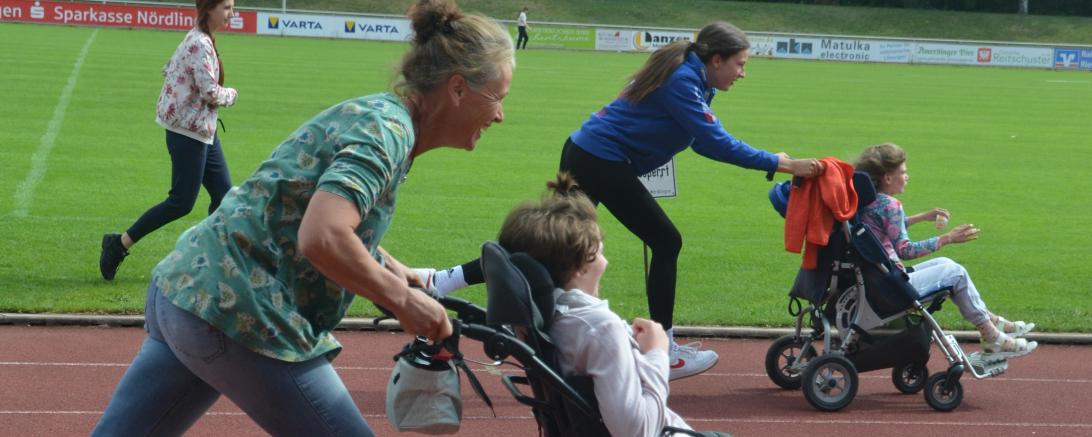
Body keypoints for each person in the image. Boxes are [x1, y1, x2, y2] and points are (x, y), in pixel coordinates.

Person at [90, 0, 514, 435]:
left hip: (186, 291)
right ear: (458, 88)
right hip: (237, 310)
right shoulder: (387, 135)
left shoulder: (379, 117)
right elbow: (323, 235)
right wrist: (403, 302)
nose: (500, 114)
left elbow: (298, 209)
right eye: (498, 98)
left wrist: (395, 273)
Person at [419, 21, 824, 380]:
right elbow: (713, 142)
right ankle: (664, 351)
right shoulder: (684, 80)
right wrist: (781, 163)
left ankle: (444, 280)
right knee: (666, 241)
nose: (742, 73)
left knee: (548, 243)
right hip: (601, 160)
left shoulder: (691, 76)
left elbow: (698, 141)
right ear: (716, 60)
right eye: (739, 64)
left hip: (590, 153)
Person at [498, 173, 720, 437]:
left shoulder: (548, 320)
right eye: (600, 253)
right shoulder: (600, 328)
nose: (606, 262)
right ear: (580, 266)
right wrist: (658, 354)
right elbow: (636, 431)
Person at [854, 143, 1037, 360]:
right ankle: (991, 336)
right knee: (955, 272)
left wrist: (922, 217)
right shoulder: (891, 205)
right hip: (892, 287)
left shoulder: (868, 200)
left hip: (879, 279)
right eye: (903, 172)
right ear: (887, 178)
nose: (907, 176)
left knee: (945, 263)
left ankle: (992, 322)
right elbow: (905, 249)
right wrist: (947, 238)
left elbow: (885, 228)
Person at [99, 0, 239, 281]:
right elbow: (211, 92)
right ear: (208, 8)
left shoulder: (201, 37)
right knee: (181, 202)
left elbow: (170, 70)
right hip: (188, 133)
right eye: (226, 7)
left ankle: (212, 260)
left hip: (202, 130)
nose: (231, 13)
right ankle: (119, 243)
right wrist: (232, 94)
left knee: (224, 196)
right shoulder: (199, 42)